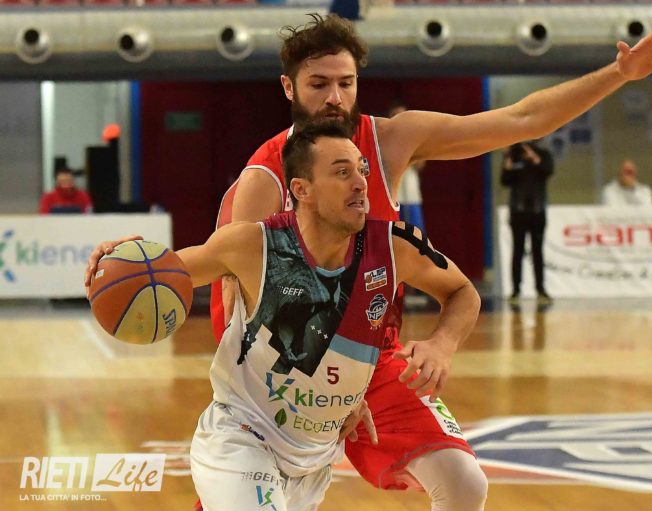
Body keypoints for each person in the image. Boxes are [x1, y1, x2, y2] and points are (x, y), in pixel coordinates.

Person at [210, 13, 652, 509]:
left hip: (373, 360)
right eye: (319, 84)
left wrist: (618, 74)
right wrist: (320, 394)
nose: (334, 96)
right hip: (282, 377)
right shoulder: (265, 179)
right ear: (289, 87)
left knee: (464, 482)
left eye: (346, 82)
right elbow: (237, 315)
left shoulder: (391, 141)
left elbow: (523, 119)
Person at [84, 123, 481, 511]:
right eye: (342, 173)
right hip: (242, 438)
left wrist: (442, 344)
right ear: (301, 189)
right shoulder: (252, 245)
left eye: (362, 169)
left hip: (314, 457)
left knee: (466, 485)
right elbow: (165, 273)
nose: (361, 183)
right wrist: (127, 262)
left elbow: (462, 291)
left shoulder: (396, 246)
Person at [500, 141, 554, 303]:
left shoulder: (543, 155)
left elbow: (547, 171)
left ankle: (540, 289)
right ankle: (515, 290)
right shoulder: (514, 156)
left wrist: (533, 157)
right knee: (517, 251)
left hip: (537, 211)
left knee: (538, 252)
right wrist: (507, 159)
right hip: (518, 211)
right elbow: (505, 181)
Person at [388, 100, 425, 231]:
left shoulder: (413, 138)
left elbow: (420, 164)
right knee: (395, 235)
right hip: (394, 198)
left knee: (417, 235)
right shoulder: (385, 140)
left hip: (411, 196)